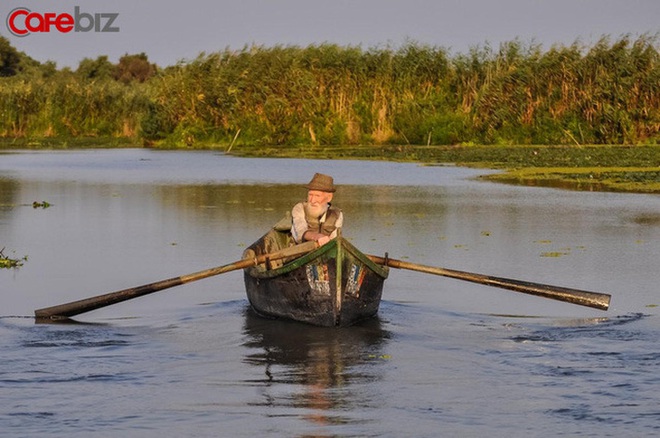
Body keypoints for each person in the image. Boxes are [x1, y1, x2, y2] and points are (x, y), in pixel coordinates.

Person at [291, 173, 343, 246]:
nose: (312, 200)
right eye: (310, 195)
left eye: (317, 196)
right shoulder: (299, 208)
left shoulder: (337, 214)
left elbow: (334, 239)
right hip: (300, 251)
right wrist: (317, 237)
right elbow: (301, 232)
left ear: (329, 198)